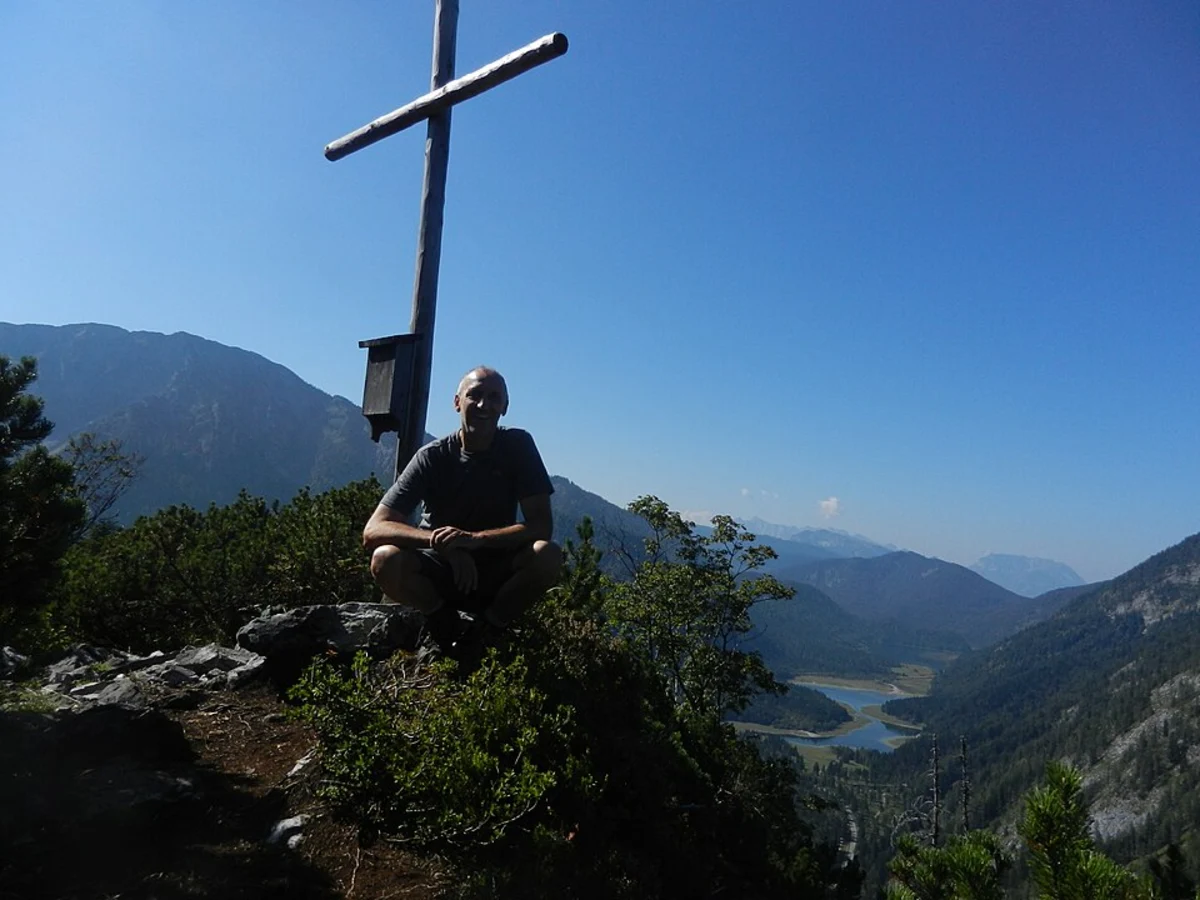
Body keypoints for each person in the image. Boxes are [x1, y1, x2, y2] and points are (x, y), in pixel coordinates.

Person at [363, 366, 562, 660]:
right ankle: (440, 618)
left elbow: (541, 526)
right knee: (385, 560)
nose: (484, 405)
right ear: (457, 402)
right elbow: (374, 530)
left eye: (494, 398)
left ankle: (489, 627)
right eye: (474, 395)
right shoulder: (432, 457)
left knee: (547, 555)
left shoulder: (518, 447)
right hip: (439, 569)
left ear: (505, 407)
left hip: (495, 569)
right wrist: (443, 543)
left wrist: (475, 540)